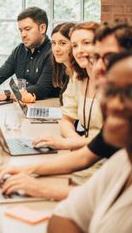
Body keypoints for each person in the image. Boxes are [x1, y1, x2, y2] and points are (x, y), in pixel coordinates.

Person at [0, 21, 132, 201]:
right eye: (96, 58)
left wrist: (42, 189)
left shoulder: (121, 114)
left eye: (109, 57)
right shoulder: (114, 108)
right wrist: (25, 169)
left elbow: (105, 196)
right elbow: (86, 157)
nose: (98, 67)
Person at [48, 52, 132, 233]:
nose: (114, 104)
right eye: (110, 91)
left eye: (129, 93)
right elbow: (64, 216)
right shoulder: (122, 162)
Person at [34, 22, 102, 151]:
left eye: (86, 43)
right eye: (75, 45)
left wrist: (69, 144)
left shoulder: (117, 82)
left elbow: (113, 140)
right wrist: (75, 141)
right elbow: (66, 120)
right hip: (87, 151)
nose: (79, 50)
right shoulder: (77, 78)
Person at [0, 7, 58, 102]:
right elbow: (0, 74)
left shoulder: (53, 53)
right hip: (23, 105)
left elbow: (41, 89)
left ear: (42, 28)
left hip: (46, 106)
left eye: (27, 29)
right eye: (21, 30)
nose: (23, 34)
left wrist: (6, 94)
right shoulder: (20, 50)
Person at [50, 22, 75, 105]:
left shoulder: (80, 75)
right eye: (54, 43)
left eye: (62, 43)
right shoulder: (66, 71)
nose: (56, 49)